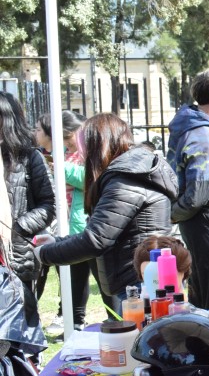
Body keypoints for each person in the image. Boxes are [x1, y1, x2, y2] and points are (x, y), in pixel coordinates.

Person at [34, 113, 178, 313]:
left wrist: (45, 254)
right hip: (140, 278)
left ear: (97, 145)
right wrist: (56, 243)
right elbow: (101, 230)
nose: (82, 155)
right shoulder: (128, 173)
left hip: (140, 283)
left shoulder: (125, 180)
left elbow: (96, 239)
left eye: (84, 148)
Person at [166, 68, 209, 314]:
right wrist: (173, 215)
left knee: (204, 291)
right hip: (204, 220)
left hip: (197, 220)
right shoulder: (202, 133)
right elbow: (198, 194)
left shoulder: (194, 126)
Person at [35, 111, 102, 332]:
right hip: (68, 223)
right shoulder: (61, 153)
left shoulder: (89, 152)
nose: (69, 143)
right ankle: (73, 321)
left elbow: (88, 180)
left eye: (38, 129)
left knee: (101, 278)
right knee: (75, 275)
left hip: (86, 223)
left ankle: (117, 320)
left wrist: (60, 168)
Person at [0, 93, 55, 312]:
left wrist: (18, 227)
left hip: (17, 255)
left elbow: (49, 205)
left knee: (19, 321)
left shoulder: (29, 158)